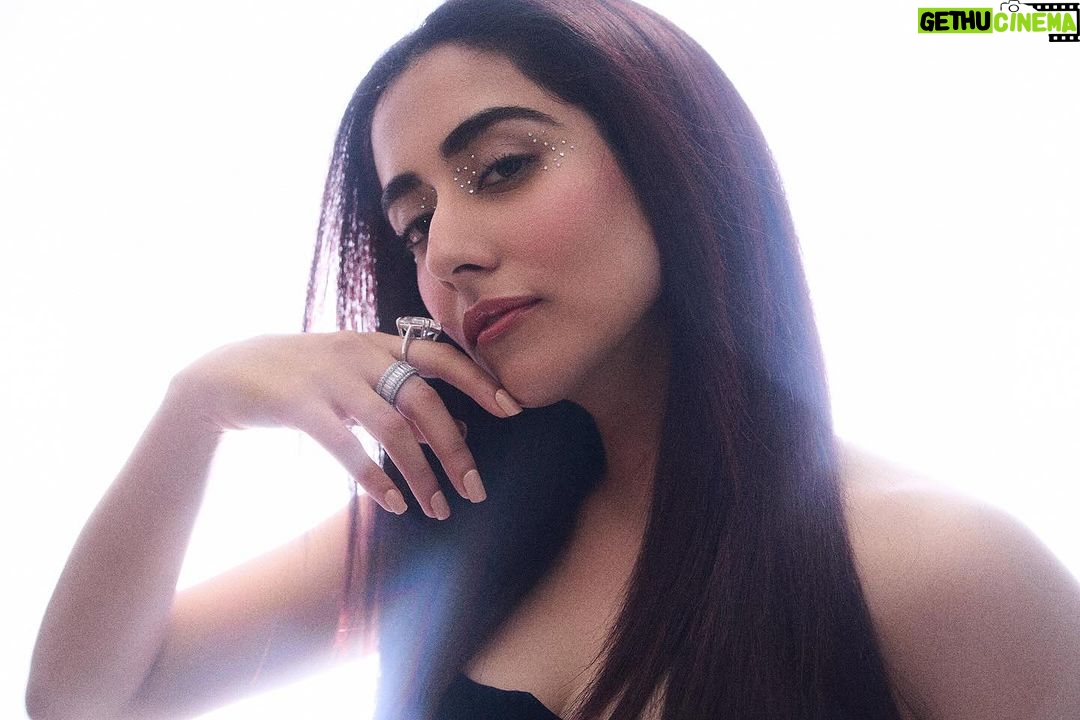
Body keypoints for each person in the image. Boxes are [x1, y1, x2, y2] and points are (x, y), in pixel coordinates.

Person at [26, 0, 1080, 718]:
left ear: (670, 156)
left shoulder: (934, 564)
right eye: (412, 225)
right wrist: (197, 406)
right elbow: (83, 698)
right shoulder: (454, 514)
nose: (445, 252)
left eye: (501, 167)